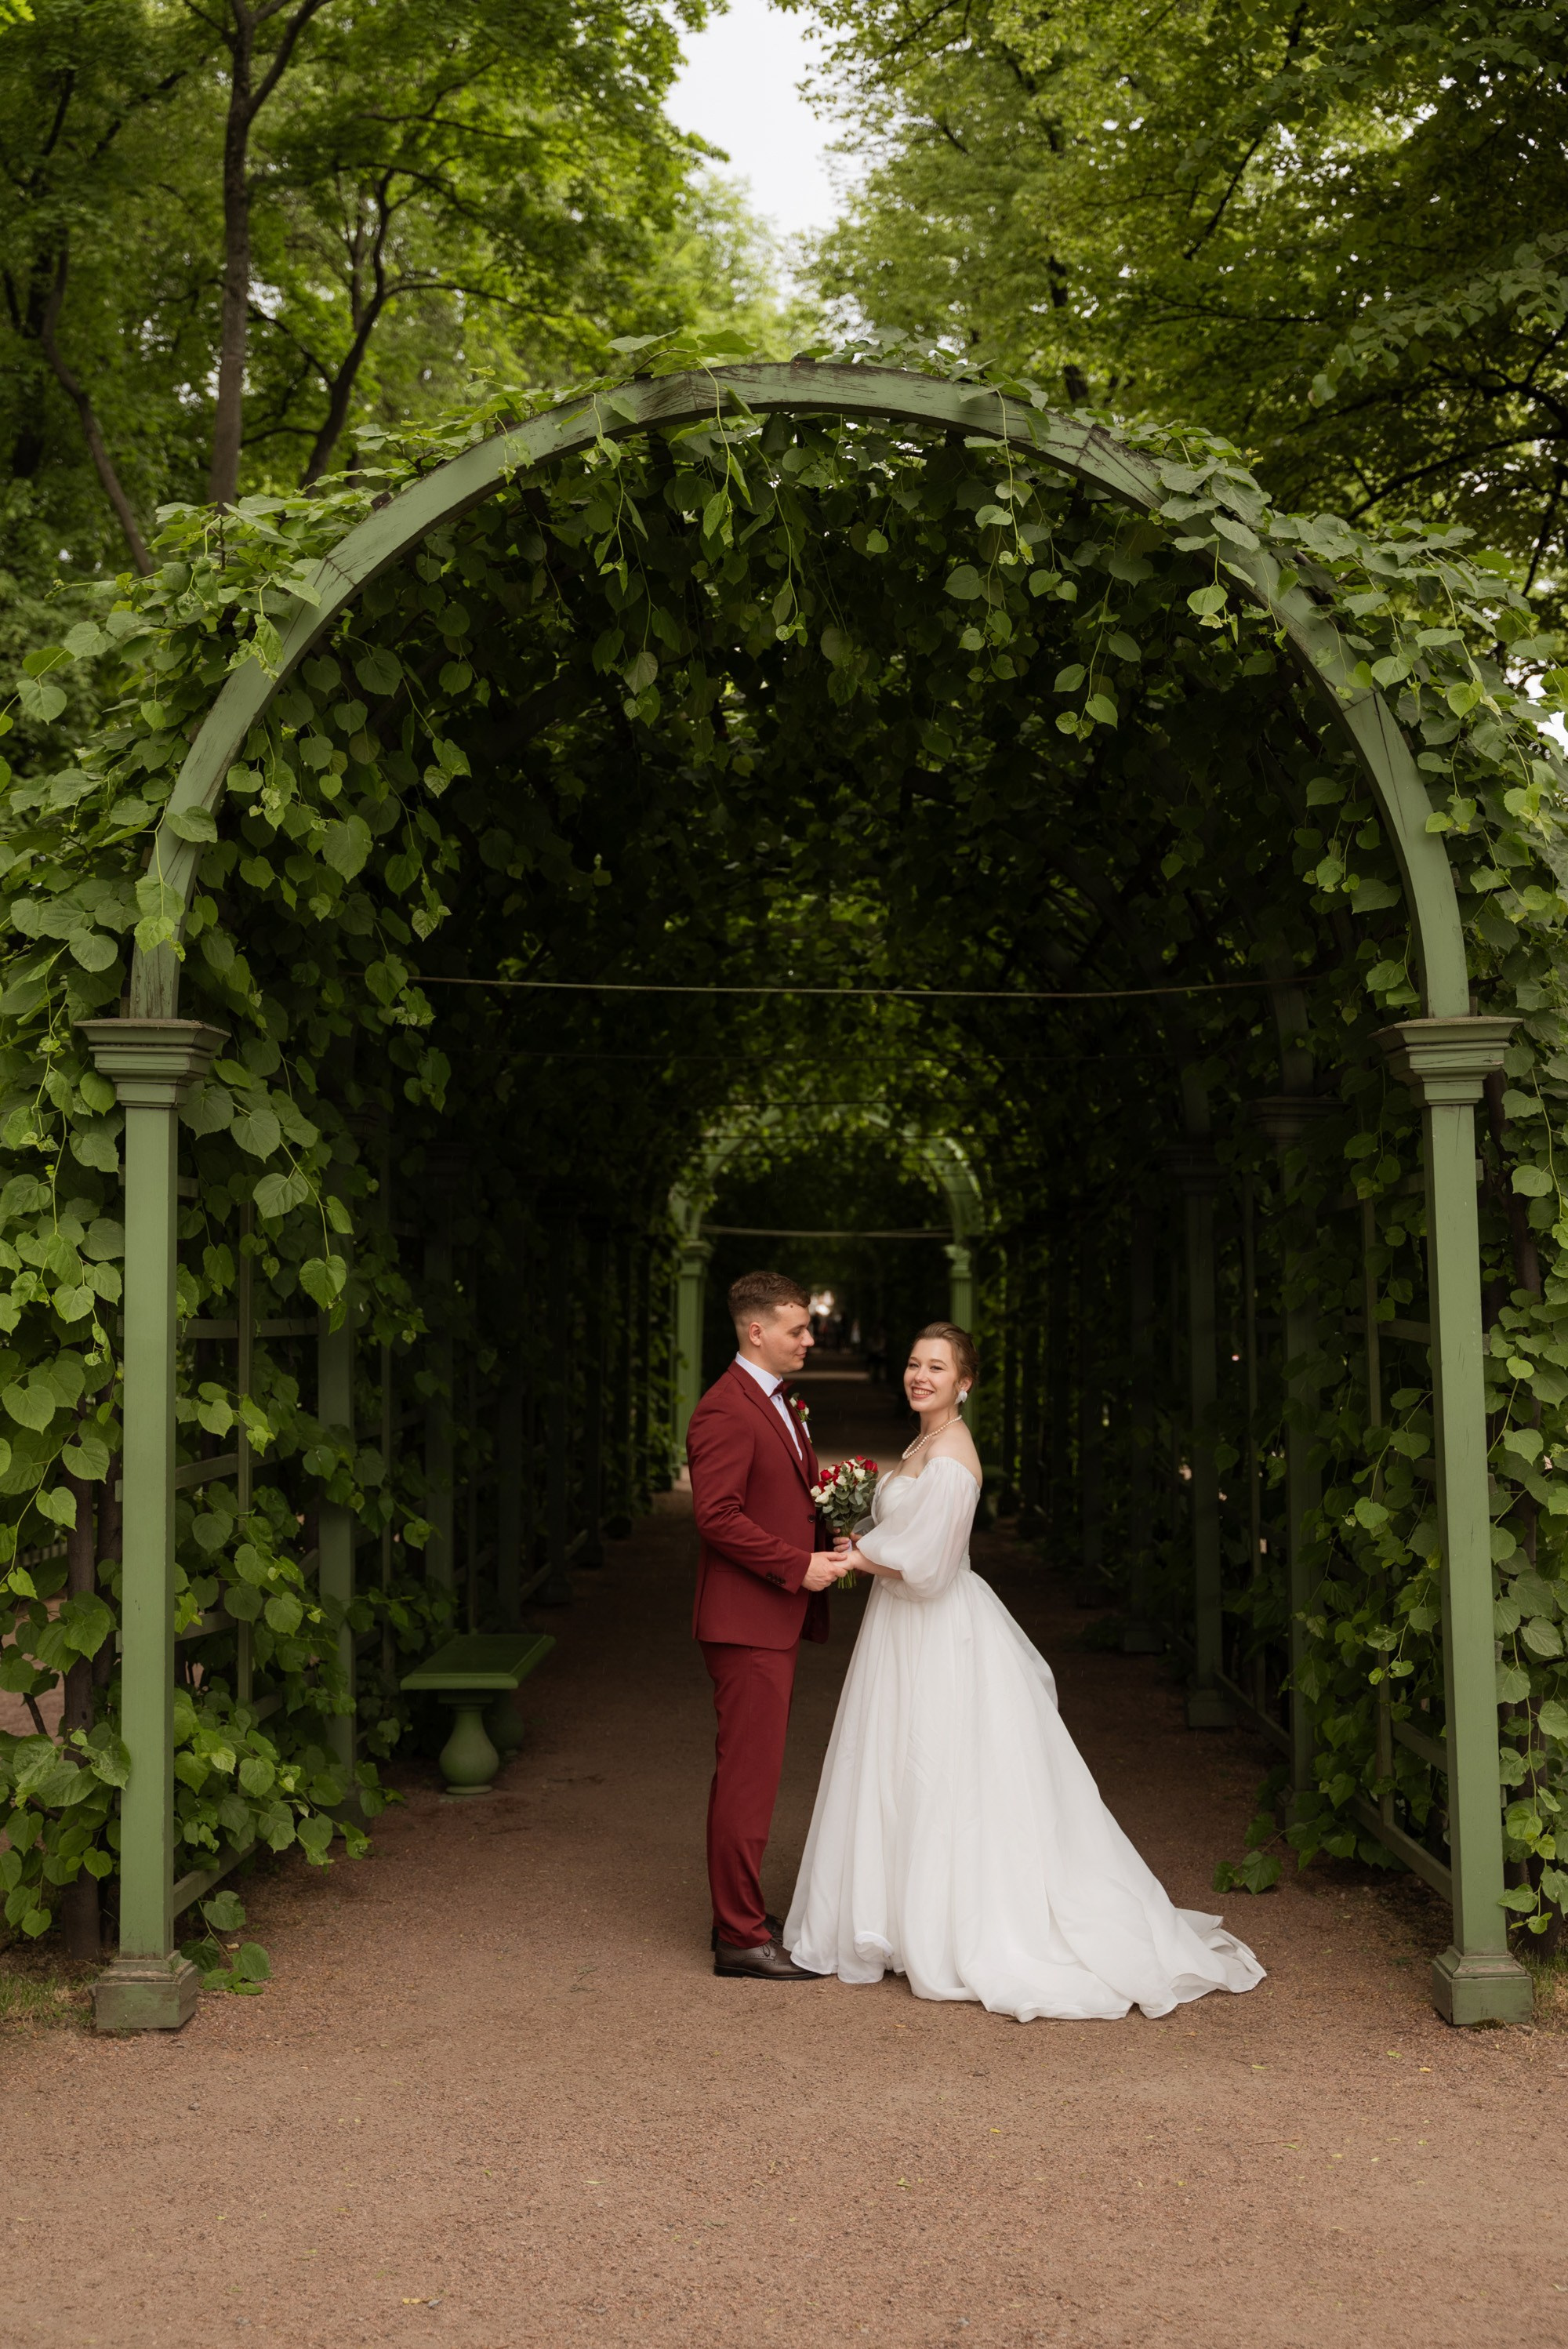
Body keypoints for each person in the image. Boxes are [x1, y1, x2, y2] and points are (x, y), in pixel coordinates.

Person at [785, 1323, 1265, 2022]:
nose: (921, 1375)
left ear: (964, 1383)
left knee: (940, 1768)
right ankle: (891, 1914)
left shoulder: (953, 1455)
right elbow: (911, 1540)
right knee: (893, 1764)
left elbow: (931, 1565)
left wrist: (859, 1559)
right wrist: (865, 1539)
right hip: (902, 1631)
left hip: (939, 1629)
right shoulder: (924, 1443)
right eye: (916, 1364)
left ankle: (951, 1922)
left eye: (937, 1368)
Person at [685, 1270, 845, 1981]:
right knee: (748, 1780)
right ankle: (741, 1937)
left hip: (766, 1616)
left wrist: (829, 1534)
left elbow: (782, 1496)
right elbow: (715, 1516)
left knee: (756, 1775)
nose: (810, 1338)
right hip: (747, 1620)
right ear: (757, 1331)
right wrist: (795, 1565)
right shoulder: (725, 1409)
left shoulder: (775, 1401)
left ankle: (742, 1913)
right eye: (797, 1329)